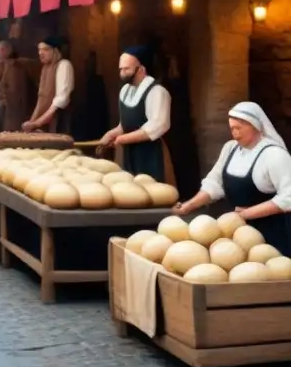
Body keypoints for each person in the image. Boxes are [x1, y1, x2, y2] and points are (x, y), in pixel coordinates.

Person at [175, 102, 291, 254]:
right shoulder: (231, 148)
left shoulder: (274, 155)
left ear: (255, 126)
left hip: (272, 235)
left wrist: (246, 214)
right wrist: (189, 206)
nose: (235, 133)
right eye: (232, 128)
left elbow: (288, 197)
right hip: (237, 233)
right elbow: (215, 183)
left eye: (239, 128)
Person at [97, 47, 173, 182]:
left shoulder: (157, 92)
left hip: (149, 154)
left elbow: (157, 126)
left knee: (153, 192)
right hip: (128, 152)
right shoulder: (125, 91)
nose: (122, 73)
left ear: (141, 69)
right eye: (120, 69)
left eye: (126, 69)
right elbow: (124, 125)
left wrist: (121, 140)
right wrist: (111, 134)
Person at [23, 37, 74, 134]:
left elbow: (60, 101)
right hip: (44, 121)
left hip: (58, 120)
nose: (40, 53)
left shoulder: (64, 65)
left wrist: (37, 123)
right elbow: (41, 99)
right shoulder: (45, 68)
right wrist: (32, 122)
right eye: (39, 49)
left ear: (55, 51)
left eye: (45, 49)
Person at [0, 40, 30, 132]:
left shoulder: (18, 66)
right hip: (4, 104)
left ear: (9, 50)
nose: (0, 52)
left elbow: (21, 86)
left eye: (3, 49)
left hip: (18, 105)